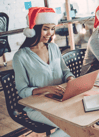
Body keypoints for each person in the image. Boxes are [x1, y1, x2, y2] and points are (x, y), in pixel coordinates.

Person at [13, 7, 74, 137]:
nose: (50, 33)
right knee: (72, 124)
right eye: (45, 29)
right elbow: (23, 91)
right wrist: (46, 89)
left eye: (52, 29)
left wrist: (70, 79)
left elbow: (65, 71)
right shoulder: (20, 56)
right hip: (37, 107)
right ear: (33, 29)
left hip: (61, 101)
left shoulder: (54, 47)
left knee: (79, 121)